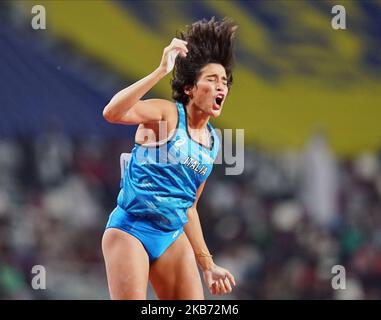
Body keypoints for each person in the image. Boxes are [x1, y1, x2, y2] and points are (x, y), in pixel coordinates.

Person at [101, 17, 237, 300]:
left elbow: (189, 207)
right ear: (190, 88)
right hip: (130, 230)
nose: (221, 87)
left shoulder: (213, 143)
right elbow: (112, 113)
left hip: (171, 237)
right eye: (211, 80)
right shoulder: (167, 114)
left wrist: (208, 265)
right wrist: (161, 71)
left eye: (224, 81)